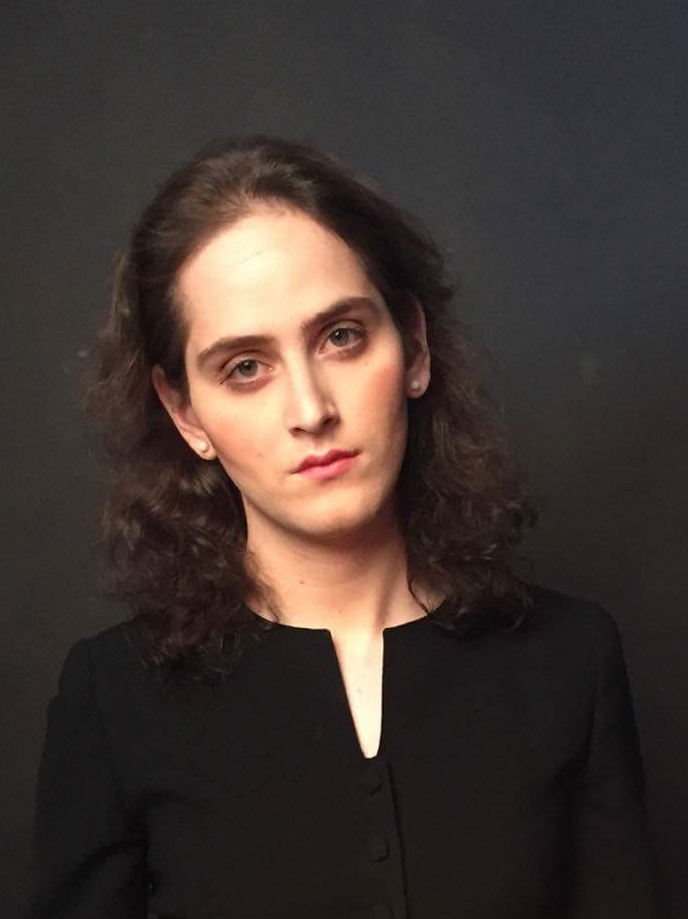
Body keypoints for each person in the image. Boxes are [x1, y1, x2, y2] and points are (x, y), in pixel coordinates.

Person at [25, 136, 666, 919]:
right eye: (245, 367)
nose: (311, 409)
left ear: (415, 346)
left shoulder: (571, 659)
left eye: (341, 336)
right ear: (185, 412)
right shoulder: (113, 698)